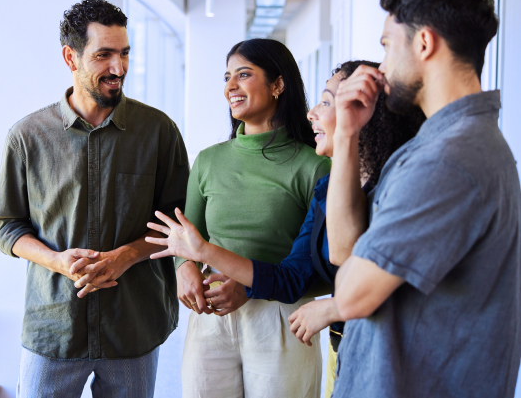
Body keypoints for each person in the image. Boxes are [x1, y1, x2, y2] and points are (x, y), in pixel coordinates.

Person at [148, 60, 424, 398]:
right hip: (343, 342)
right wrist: (190, 260)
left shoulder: (376, 182)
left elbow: (370, 272)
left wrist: (331, 306)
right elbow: (323, 266)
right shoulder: (329, 188)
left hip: (373, 347)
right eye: (227, 77)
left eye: (326, 101)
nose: (312, 113)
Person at [326, 0, 520, 397]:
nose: (380, 67)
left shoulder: (449, 160)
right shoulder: (438, 144)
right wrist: (346, 136)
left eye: (386, 46)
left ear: (425, 43)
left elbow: (353, 294)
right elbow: (343, 250)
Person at [0, 0, 189, 397]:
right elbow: (4, 223)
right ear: (70, 57)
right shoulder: (28, 136)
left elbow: (177, 220)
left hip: (133, 324)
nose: (119, 68)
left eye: (125, 53)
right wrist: (55, 261)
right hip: (55, 326)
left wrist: (126, 255)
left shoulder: (158, 131)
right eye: (104, 55)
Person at [170, 38, 331, 398]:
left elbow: (325, 269)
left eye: (244, 75)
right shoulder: (209, 161)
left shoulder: (314, 165)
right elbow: (188, 240)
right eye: (227, 77)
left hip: (283, 319)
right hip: (212, 317)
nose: (230, 87)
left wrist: (252, 286)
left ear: (277, 84)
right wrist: (184, 269)